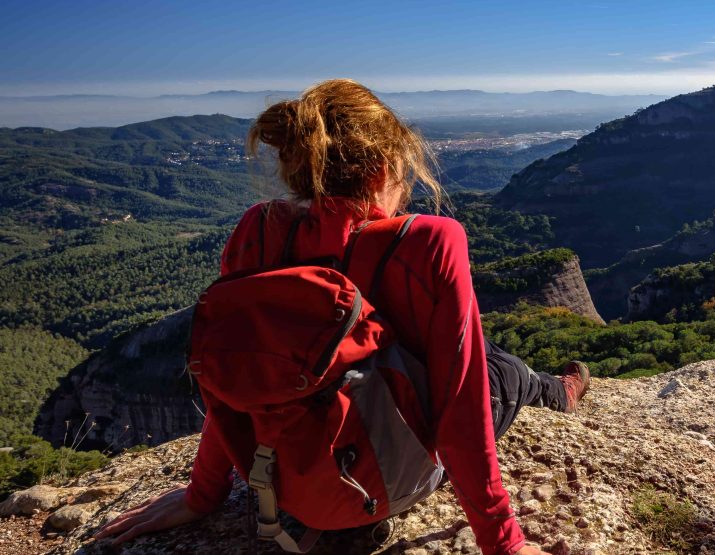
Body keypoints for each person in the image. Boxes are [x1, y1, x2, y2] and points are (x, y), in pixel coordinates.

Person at [93, 79, 590, 555]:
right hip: (382, 485)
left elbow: (236, 378)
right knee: (499, 369)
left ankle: (543, 382)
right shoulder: (432, 241)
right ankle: (557, 390)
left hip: (285, 485)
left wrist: (201, 496)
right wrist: (503, 542)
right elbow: (462, 409)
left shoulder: (256, 232)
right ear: (380, 171)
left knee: (481, 356)